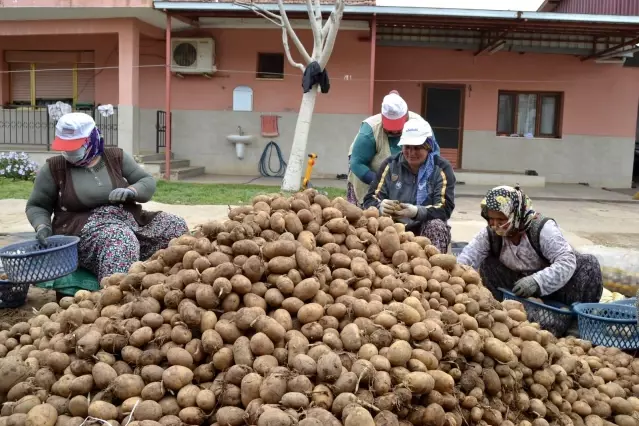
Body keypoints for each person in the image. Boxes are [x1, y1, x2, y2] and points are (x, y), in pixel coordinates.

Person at [26, 112, 189, 282]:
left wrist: (132, 191)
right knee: (120, 240)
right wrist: (42, 226)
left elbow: (146, 180)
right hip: (83, 233)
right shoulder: (54, 169)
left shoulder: (115, 157)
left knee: (174, 225)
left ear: (92, 138)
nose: (69, 151)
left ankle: (161, 280)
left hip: (128, 221)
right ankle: (115, 293)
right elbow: (37, 205)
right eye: (66, 146)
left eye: (75, 145)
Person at [456, 185, 603, 305]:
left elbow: (566, 261)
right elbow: (467, 258)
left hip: (558, 287)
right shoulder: (490, 234)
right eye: (491, 219)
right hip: (518, 288)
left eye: (501, 219)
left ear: (516, 214)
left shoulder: (542, 229)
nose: (495, 225)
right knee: (488, 264)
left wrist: (537, 281)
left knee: (589, 264)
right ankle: (500, 308)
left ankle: (575, 320)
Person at [362, 118, 455, 254]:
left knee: (436, 226)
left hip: (423, 227)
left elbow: (445, 208)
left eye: (417, 148)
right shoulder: (390, 164)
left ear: (428, 147)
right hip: (392, 228)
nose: (411, 153)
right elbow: (370, 199)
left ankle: (434, 269)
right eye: (407, 147)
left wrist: (417, 212)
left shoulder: (441, 168)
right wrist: (380, 206)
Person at [347, 90, 423, 206]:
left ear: (406, 116)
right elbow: (357, 163)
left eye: (398, 127)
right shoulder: (369, 131)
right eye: (390, 127)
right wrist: (380, 183)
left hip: (409, 182)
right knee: (367, 218)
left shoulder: (420, 126)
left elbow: (433, 159)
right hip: (369, 181)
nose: (395, 131)